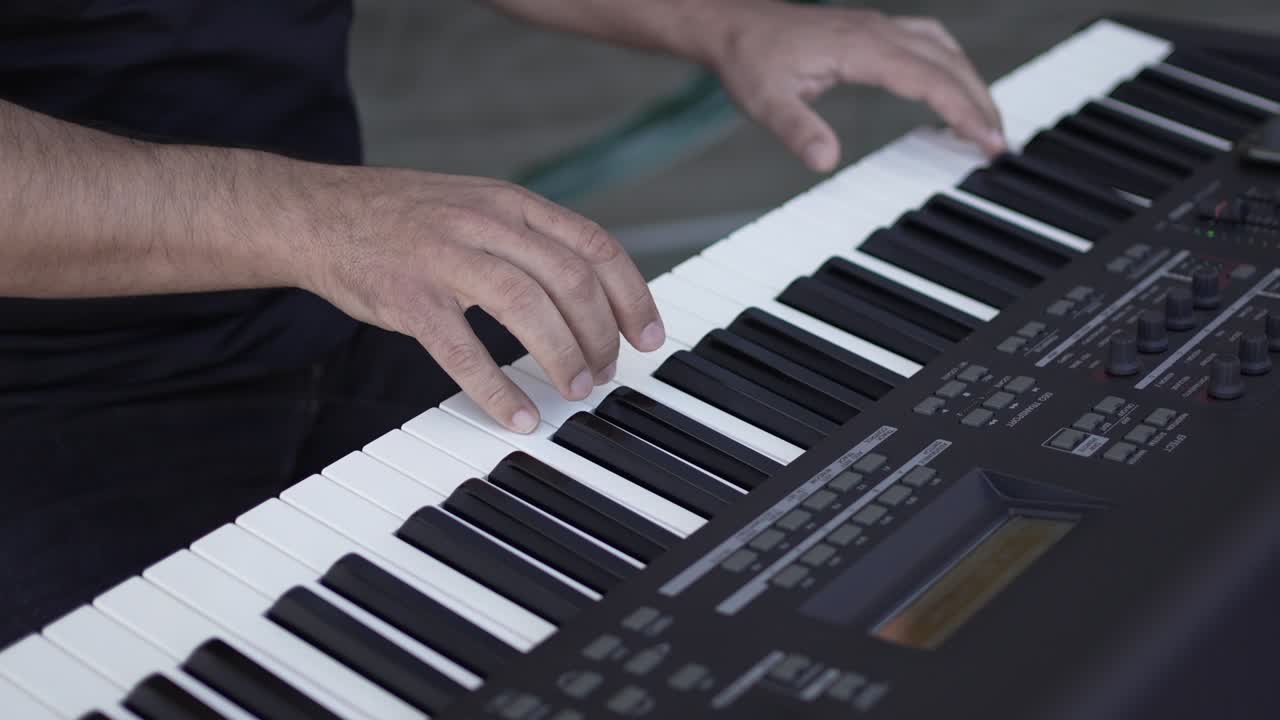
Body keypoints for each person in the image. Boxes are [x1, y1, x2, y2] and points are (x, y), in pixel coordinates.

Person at [0, 0, 1003, 645]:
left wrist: (723, 19)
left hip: (339, 301)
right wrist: (304, 215)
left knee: (786, 579)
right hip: (46, 398)